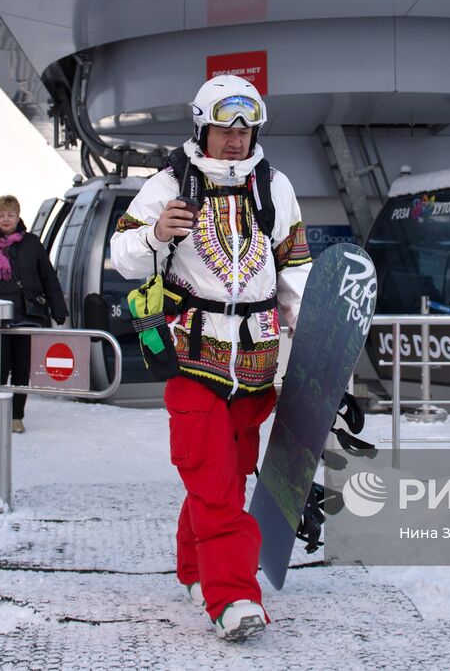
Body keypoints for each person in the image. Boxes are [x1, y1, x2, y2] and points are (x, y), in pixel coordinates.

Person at [110, 75, 311, 643]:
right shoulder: (170, 182)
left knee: (227, 475)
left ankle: (196, 570)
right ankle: (234, 597)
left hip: (256, 363)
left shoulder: (276, 187)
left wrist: (310, 326)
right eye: (224, 128)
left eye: (246, 130)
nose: (235, 140)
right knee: (216, 483)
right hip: (189, 357)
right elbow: (121, 253)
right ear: (203, 126)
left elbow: (294, 264)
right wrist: (153, 234)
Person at [0, 195, 67, 434]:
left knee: (22, 368)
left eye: (10, 215)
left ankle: (16, 416)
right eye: (1, 215)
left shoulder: (32, 244)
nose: (5, 220)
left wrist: (57, 308)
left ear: (18, 215)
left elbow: (47, 276)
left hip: (26, 315)